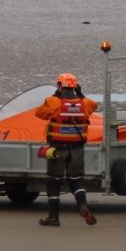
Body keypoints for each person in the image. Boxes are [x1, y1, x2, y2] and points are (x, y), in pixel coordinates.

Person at [34, 72, 98, 226]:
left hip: (58, 149)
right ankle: (82, 206)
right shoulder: (85, 103)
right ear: (75, 86)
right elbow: (94, 105)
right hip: (77, 149)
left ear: (59, 86)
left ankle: (53, 218)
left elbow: (39, 113)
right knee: (76, 181)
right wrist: (80, 94)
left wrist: (55, 96)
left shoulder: (53, 101)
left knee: (54, 182)